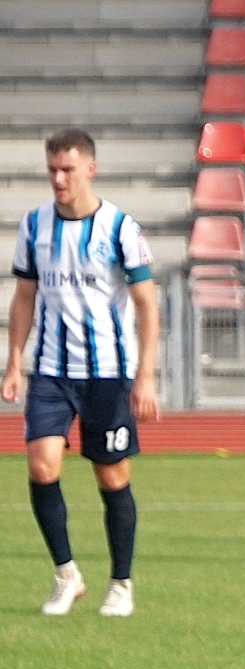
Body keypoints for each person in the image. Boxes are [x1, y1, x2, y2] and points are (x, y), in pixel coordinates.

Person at [4, 129, 159, 617]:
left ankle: (121, 583)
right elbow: (24, 297)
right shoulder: (34, 226)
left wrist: (146, 375)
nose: (58, 178)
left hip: (108, 374)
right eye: (52, 169)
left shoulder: (120, 228)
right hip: (51, 371)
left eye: (67, 169)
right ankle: (66, 574)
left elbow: (147, 304)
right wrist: (14, 362)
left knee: (111, 477)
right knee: (41, 466)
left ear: (90, 169)